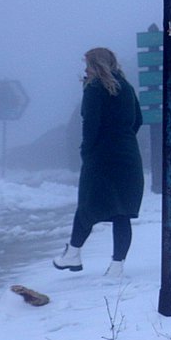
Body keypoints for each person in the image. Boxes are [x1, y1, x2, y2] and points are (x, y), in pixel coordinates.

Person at [53, 48, 144, 278]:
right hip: (128, 156)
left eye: (88, 64)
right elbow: (138, 120)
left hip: (101, 157)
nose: (85, 69)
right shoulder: (127, 88)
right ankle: (117, 266)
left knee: (87, 205)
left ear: (96, 65)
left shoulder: (94, 89)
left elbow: (90, 125)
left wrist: (87, 150)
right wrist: (123, 137)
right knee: (122, 212)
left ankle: (72, 254)